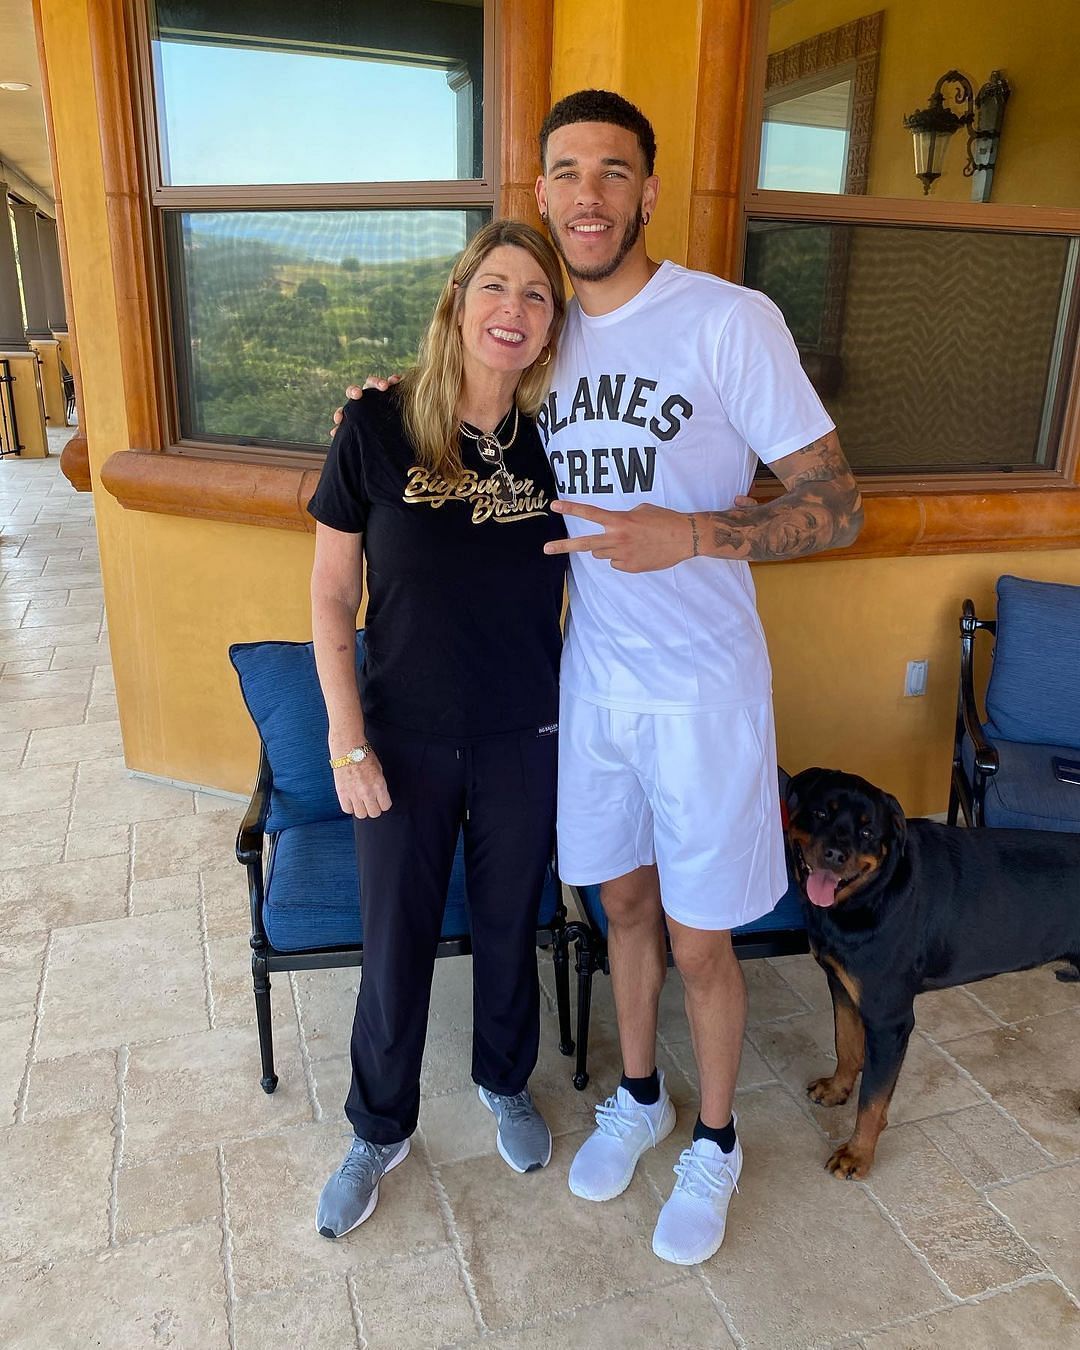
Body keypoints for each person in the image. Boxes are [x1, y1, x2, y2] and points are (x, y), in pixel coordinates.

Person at [343, 89, 862, 1266]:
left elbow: (839, 505)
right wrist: (373, 401)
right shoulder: (546, 334)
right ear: (538, 195)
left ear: (649, 190)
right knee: (617, 905)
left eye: (614, 171)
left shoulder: (729, 321)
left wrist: (695, 533)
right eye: (567, 171)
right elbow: (458, 385)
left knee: (698, 938)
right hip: (589, 688)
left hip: (706, 690)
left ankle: (716, 1141)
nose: (589, 194)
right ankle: (640, 1096)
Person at [308, 219, 568, 1240]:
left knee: (511, 924)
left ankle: (505, 1080)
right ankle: (378, 1127)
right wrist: (345, 738)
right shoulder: (374, 428)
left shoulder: (564, 438)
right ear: (458, 302)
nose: (513, 308)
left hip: (524, 734)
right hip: (401, 739)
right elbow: (332, 597)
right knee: (395, 943)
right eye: (494, 286)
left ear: (551, 329)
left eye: (536, 295)